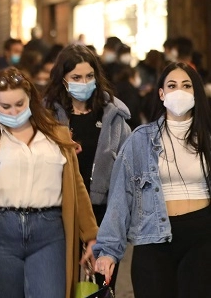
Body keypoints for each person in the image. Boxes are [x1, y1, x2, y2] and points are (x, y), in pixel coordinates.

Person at [0, 67, 98, 298]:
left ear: (31, 101)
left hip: (50, 232)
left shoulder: (57, 135)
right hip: (1, 232)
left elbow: (77, 187)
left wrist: (91, 235)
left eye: (19, 104)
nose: (13, 111)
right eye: (6, 106)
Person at [95, 62, 211, 297]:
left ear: (195, 93)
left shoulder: (207, 139)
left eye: (186, 85)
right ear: (161, 93)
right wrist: (108, 250)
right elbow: (120, 197)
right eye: (172, 85)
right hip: (153, 239)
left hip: (202, 238)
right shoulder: (140, 140)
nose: (179, 91)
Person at [43, 44, 131, 289]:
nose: (84, 82)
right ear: (63, 79)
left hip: (105, 217)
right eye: (76, 77)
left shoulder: (115, 118)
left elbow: (127, 171)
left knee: (102, 287)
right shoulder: (47, 117)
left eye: (89, 76)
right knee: (62, 285)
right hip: (61, 213)